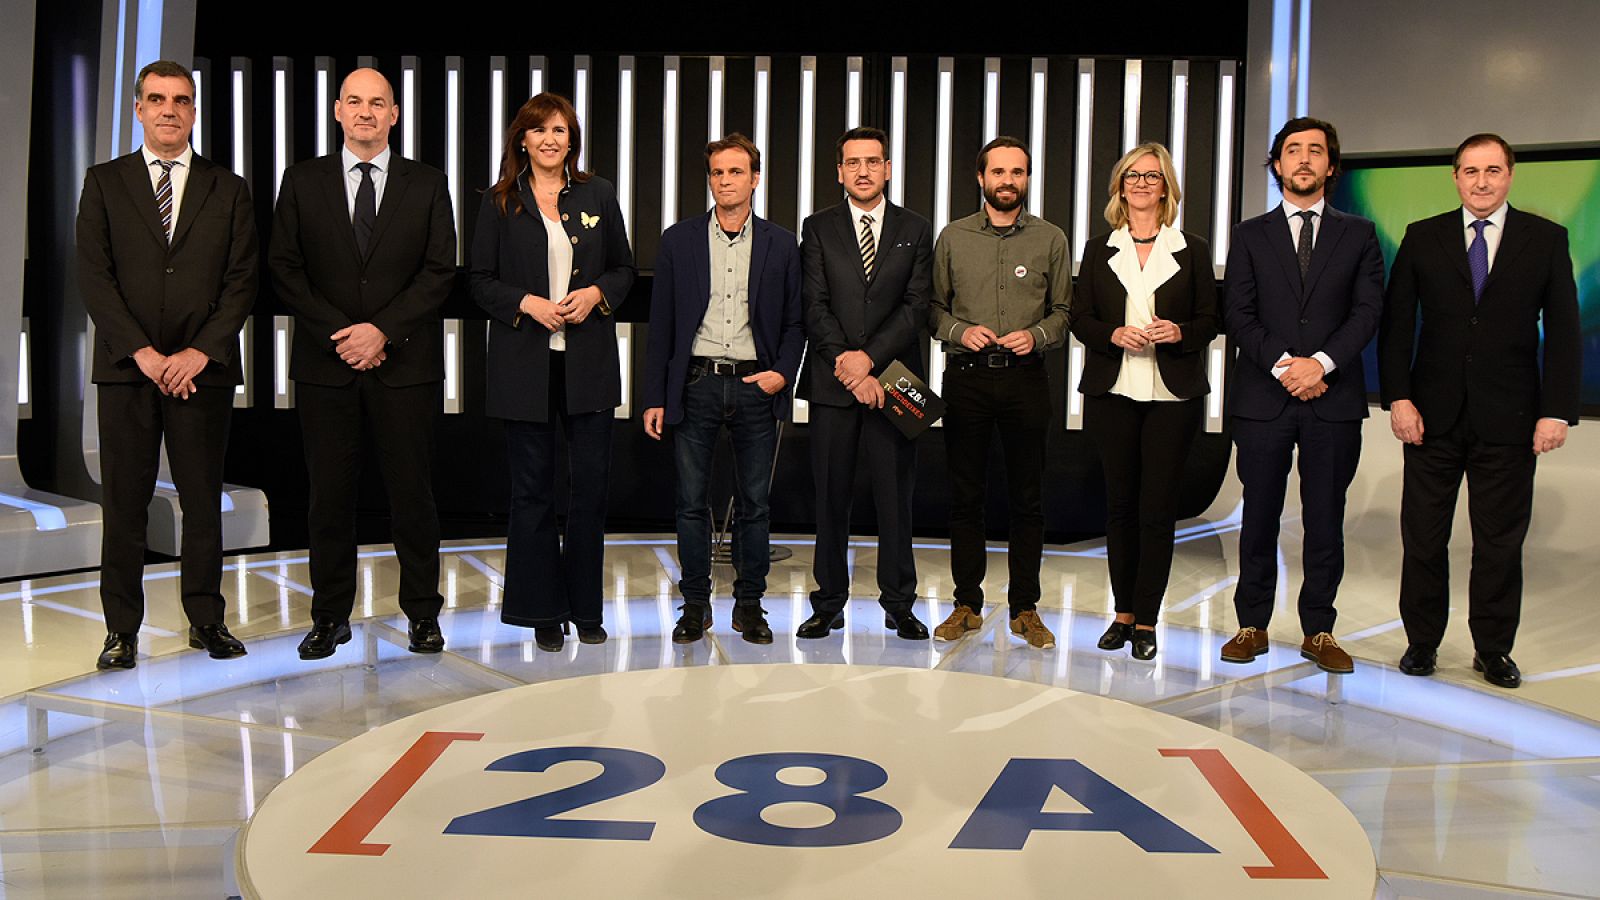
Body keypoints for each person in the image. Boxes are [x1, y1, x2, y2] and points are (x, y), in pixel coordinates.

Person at [1379, 133, 1580, 689]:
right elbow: (1397, 326)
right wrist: (1398, 397)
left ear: (1510, 175)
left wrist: (1556, 410)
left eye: (1493, 170)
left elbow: (1564, 330)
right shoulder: (1422, 237)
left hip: (1511, 418)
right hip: (1430, 417)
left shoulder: (1545, 239)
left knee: (1499, 543)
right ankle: (1422, 642)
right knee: (1424, 538)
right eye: (1471, 171)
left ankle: (1493, 649)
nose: (1482, 181)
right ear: (1455, 177)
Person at [269, 67, 457, 660]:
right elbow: (284, 268)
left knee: (414, 497)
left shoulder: (428, 183)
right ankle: (329, 616)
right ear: (338, 110)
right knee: (328, 498)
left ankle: (422, 614)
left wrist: (383, 332)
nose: (366, 112)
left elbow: (439, 271)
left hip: (406, 367)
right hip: (327, 368)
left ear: (394, 114)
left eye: (378, 103)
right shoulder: (301, 180)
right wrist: (343, 336)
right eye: (355, 101)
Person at [77, 60, 256, 670]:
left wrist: (197, 353)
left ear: (194, 111)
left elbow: (241, 281)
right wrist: (147, 354)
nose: (169, 110)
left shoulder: (228, 188)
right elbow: (94, 278)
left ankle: (206, 619)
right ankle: (121, 630)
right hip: (129, 369)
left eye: (180, 100)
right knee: (125, 504)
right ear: (139, 109)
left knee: (202, 501)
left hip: (202, 371)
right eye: (157, 99)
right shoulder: (104, 182)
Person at [470, 93, 635, 653]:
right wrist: (526, 304)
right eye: (539, 130)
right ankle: (542, 609)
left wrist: (595, 294)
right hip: (524, 366)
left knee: (589, 491)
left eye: (560, 130)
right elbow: (479, 280)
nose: (549, 139)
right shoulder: (499, 201)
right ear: (522, 138)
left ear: (572, 140)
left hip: (588, 365)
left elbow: (623, 268)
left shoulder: (598, 192)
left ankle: (586, 608)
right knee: (532, 493)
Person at [1220, 116, 1384, 674]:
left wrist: (1322, 364)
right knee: (1258, 517)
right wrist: (1289, 366)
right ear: (1277, 164)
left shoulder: (1359, 234)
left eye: (1316, 151)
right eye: (1294, 150)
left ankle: (1319, 629)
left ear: (1331, 166)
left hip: (1332, 399)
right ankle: (1251, 624)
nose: (1305, 159)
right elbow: (1238, 313)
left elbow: (1368, 311)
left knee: (1325, 518)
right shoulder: (1249, 235)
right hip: (1263, 398)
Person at [642, 134, 804, 646]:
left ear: (755, 179)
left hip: (757, 385)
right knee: (691, 503)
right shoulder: (679, 240)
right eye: (717, 172)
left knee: (755, 504)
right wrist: (654, 396)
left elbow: (797, 321)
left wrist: (782, 373)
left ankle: (749, 606)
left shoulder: (782, 243)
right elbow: (662, 324)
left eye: (736, 172)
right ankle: (694, 606)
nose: (726, 181)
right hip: (697, 383)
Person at [1070, 142, 1217, 661]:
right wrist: (1112, 334)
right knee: (1120, 509)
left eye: (1152, 176)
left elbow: (1210, 319)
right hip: (1113, 391)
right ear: (1120, 186)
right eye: (1132, 175)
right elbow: (1079, 318)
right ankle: (1123, 614)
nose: (1141, 183)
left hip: (1171, 395)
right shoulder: (1098, 248)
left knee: (1157, 511)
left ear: (1166, 187)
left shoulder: (1191, 248)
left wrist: (1179, 332)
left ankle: (1148, 620)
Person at [928, 136, 1070, 650]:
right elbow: (932, 308)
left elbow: (1064, 312)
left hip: (1026, 379)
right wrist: (958, 331)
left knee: (1028, 499)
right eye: (998, 172)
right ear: (981, 178)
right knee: (966, 496)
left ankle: (1024, 608)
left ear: (1027, 178)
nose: (1008, 181)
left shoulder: (1051, 238)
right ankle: (966, 603)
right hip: (966, 377)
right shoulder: (953, 237)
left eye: (1017, 172)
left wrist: (1037, 335)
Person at [795, 127, 933, 642]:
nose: (863, 171)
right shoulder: (817, 227)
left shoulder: (916, 228)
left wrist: (870, 361)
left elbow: (916, 306)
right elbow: (813, 305)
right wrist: (849, 366)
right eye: (852, 163)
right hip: (834, 383)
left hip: (896, 381)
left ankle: (900, 604)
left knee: (896, 498)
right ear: (839, 172)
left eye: (873, 161)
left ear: (888, 169)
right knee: (831, 498)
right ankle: (828, 602)